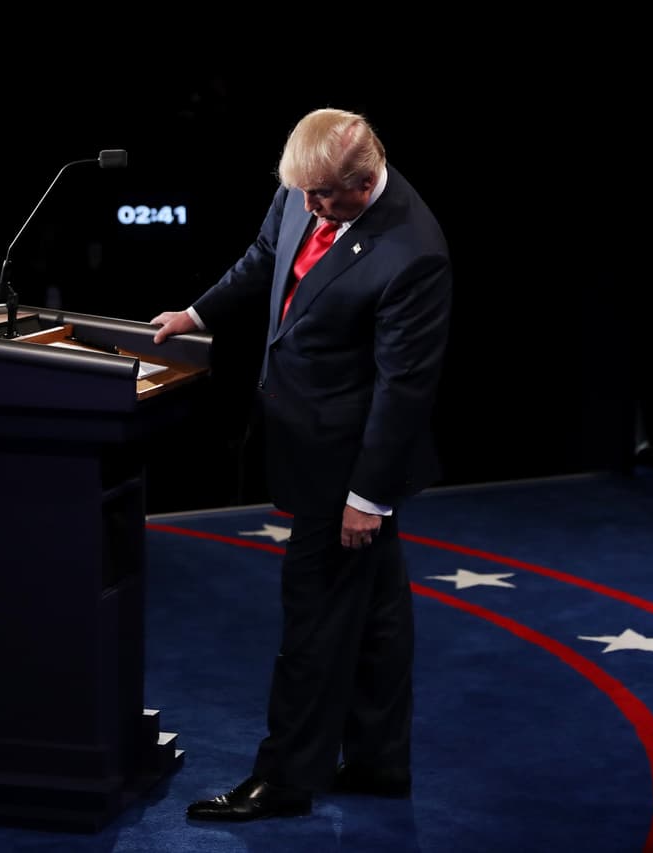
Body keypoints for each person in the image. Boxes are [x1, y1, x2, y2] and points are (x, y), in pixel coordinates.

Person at [149, 107, 452, 821]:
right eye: (301, 194)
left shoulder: (413, 250)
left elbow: (403, 387)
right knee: (376, 613)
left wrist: (367, 498)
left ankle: (283, 778)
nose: (308, 208)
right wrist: (197, 315)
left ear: (362, 178)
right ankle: (380, 761)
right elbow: (266, 255)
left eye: (322, 198)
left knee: (311, 621)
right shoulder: (303, 183)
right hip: (308, 437)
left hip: (345, 464)